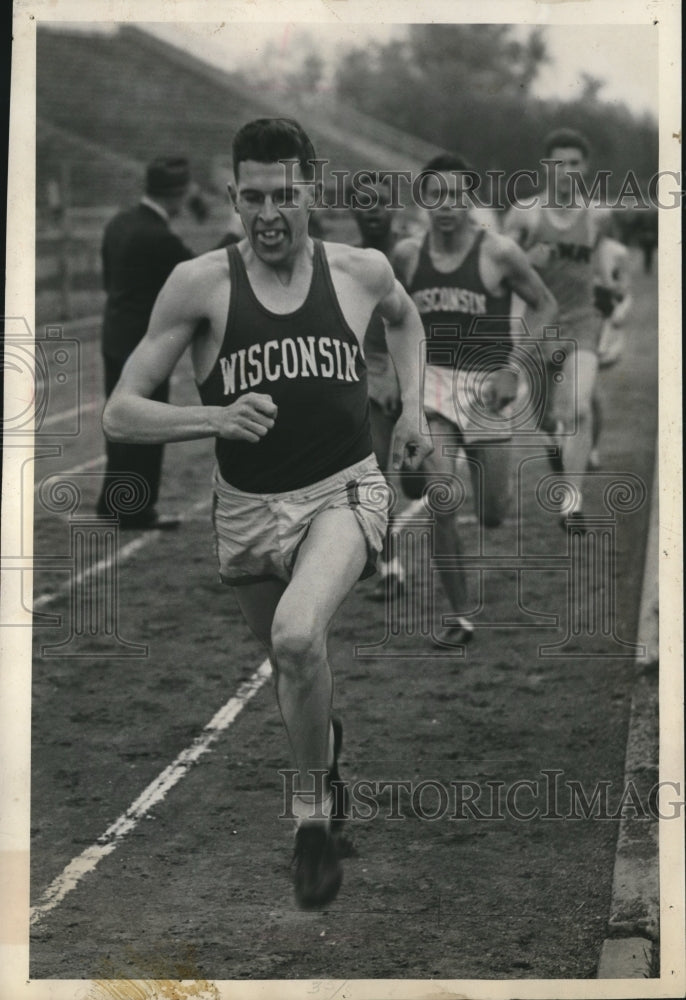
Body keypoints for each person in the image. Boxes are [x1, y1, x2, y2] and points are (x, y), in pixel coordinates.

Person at [102, 118, 432, 908]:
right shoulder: (199, 284)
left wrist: (413, 407)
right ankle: (330, 755)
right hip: (247, 511)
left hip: (344, 489)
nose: (269, 214)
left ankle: (309, 823)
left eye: (284, 196)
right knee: (292, 666)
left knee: (294, 635)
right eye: (252, 198)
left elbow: (405, 317)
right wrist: (211, 419)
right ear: (232, 197)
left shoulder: (359, 269)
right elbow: (121, 412)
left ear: (309, 192)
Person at [393, 153, 557, 647]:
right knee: (444, 496)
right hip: (433, 386)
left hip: (486, 386)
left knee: (492, 512)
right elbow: (391, 316)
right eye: (435, 195)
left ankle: (417, 474)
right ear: (423, 201)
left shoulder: (499, 251)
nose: (445, 206)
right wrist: (391, 379)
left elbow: (545, 303)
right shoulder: (405, 254)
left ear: (470, 200)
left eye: (455, 196)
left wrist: (514, 367)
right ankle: (462, 615)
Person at [504, 128, 617, 526]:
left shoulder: (597, 214)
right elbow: (501, 264)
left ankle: (572, 501)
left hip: (581, 323)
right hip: (537, 326)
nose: (567, 171)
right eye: (559, 164)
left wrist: (612, 298)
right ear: (546, 168)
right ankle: (558, 442)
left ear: (585, 168)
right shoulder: (526, 212)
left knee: (578, 407)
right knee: (545, 419)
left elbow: (602, 264)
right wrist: (526, 257)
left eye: (574, 163)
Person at [96, 157, 194, 529]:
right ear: (176, 194)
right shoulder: (160, 237)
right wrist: (233, 235)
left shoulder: (119, 222)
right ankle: (137, 509)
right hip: (144, 343)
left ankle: (111, 501)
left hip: (114, 333)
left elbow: (108, 280)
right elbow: (198, 274)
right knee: (148, 425)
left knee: (118, 419)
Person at [348, 174, 405, 599]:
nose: (372, 208)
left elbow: (423, 322)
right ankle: (390, 566)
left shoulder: (409, 255)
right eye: (362, 202)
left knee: (421, 480)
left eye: (380, 201)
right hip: (369, 379)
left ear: (394, 206)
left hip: (416, 374)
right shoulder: (348, 260)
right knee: (375, 475)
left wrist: (407, 377)